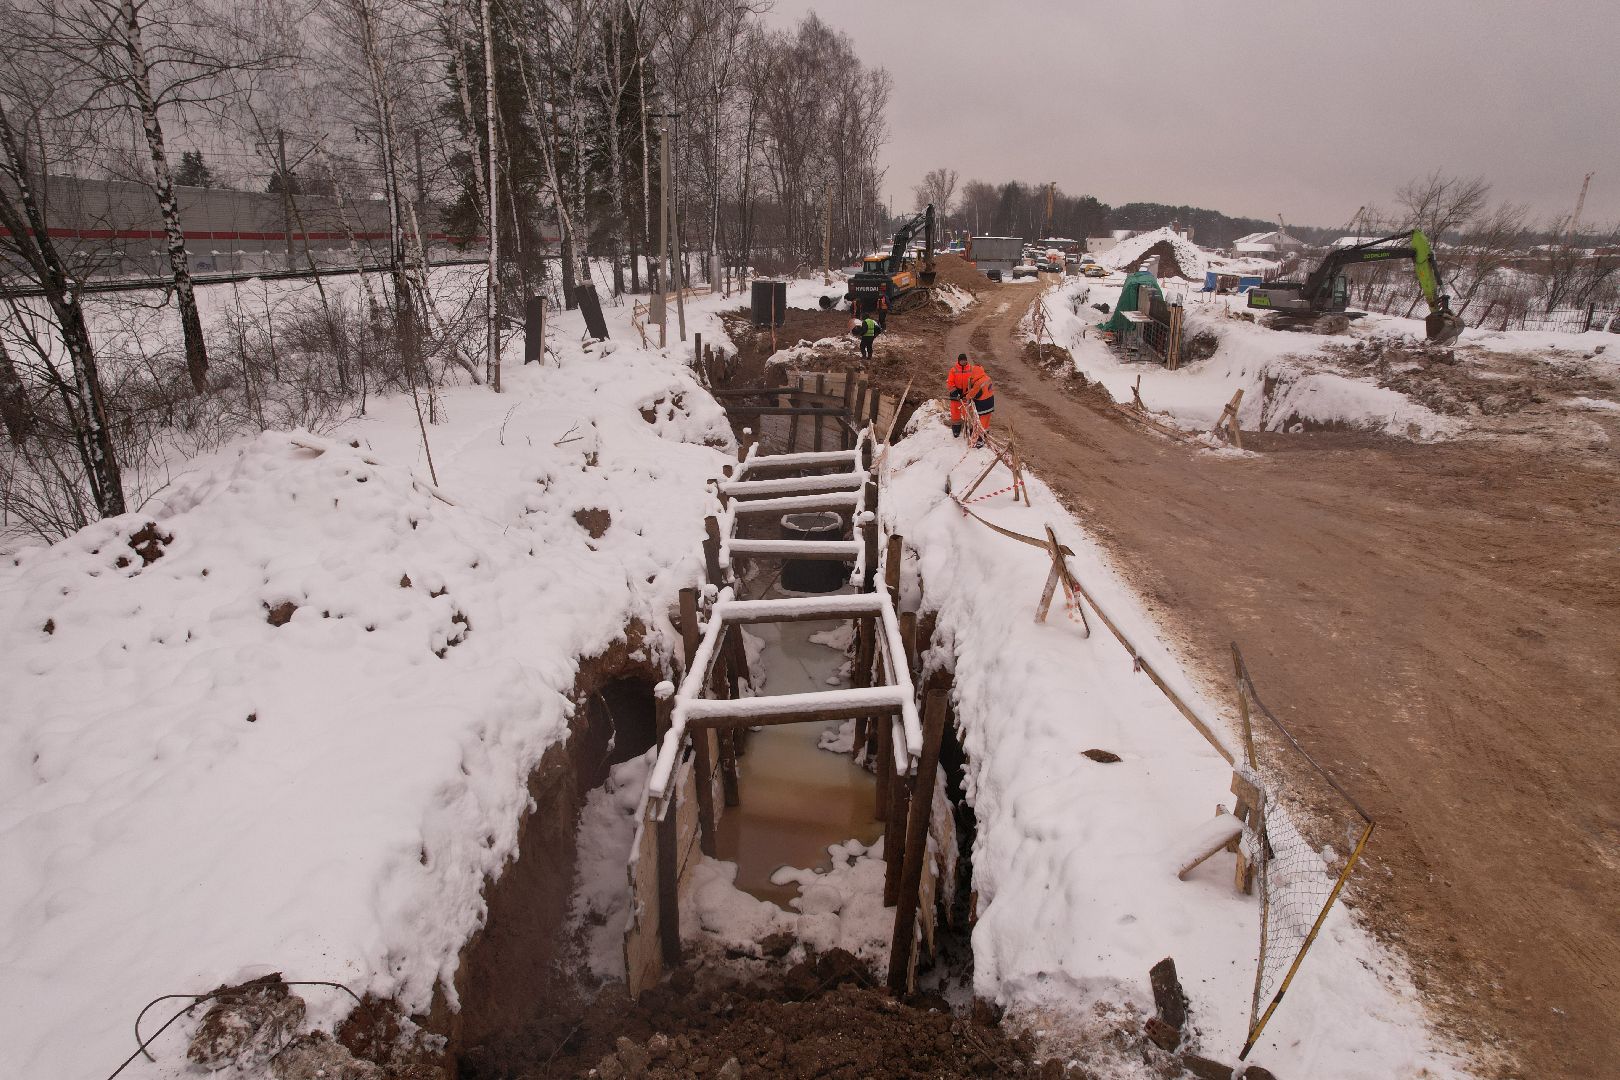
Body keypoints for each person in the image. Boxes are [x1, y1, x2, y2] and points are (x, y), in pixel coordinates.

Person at [946, 353, 994, 439]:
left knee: (968, 413)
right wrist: (955, 392)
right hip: (956, 395)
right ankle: (956, 428)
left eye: (965, 360)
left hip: (966, 394)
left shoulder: (971, 369)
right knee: (955, 413)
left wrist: (969, 393)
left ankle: (969, 428)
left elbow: (975, 380)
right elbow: (950, 382)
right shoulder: (953, 370)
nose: (963, 362)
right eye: (962, 360)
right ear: (959, 361)